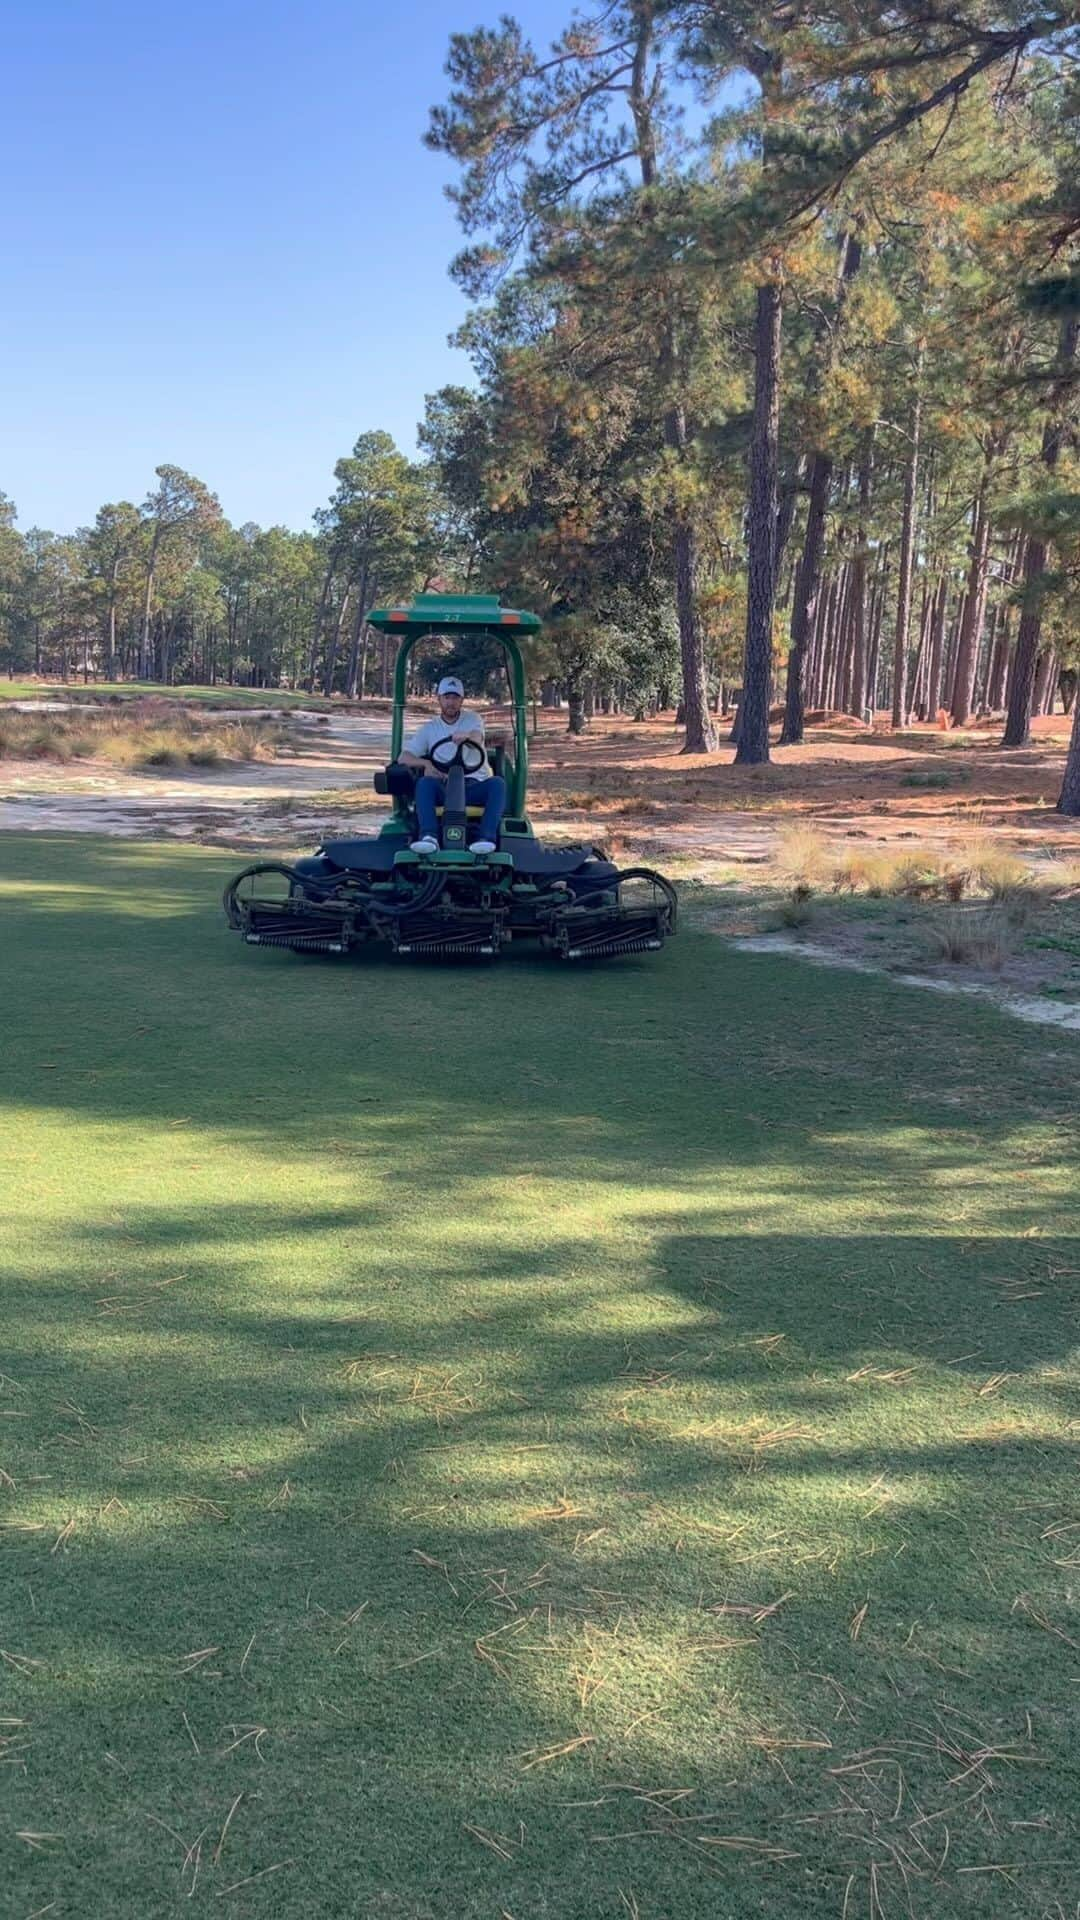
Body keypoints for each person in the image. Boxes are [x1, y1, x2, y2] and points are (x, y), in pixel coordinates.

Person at [400, 674, 506, 853]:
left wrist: (466, 736)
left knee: (498, 784)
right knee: (424, 784)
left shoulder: (472, 719)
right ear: (439, 699)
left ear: (462, 700)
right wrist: (425, 763)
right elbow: (404, 758)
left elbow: (477, 736)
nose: (451, 702)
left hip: (474, 786)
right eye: (447, 697)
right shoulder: (430, 729)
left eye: (455, 698)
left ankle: (485, 839)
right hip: (445, 787)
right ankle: (429, 837)